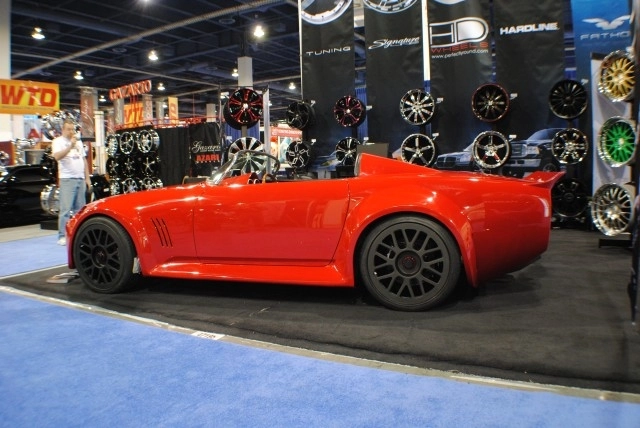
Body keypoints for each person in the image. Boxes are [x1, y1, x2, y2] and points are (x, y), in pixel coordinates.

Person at [52, 119, 91, 246]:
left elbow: (84, 160)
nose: (71, 132)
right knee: (65, 209)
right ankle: (62, 236)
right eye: (68, 129)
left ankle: (78, 235)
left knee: (79, 210)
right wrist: (70, 146)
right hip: (67, 179)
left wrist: (87, 178)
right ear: (63, 130)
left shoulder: (78, 142)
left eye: (72, 129)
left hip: (80, 178)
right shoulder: (58, 142)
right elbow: (57, 157)